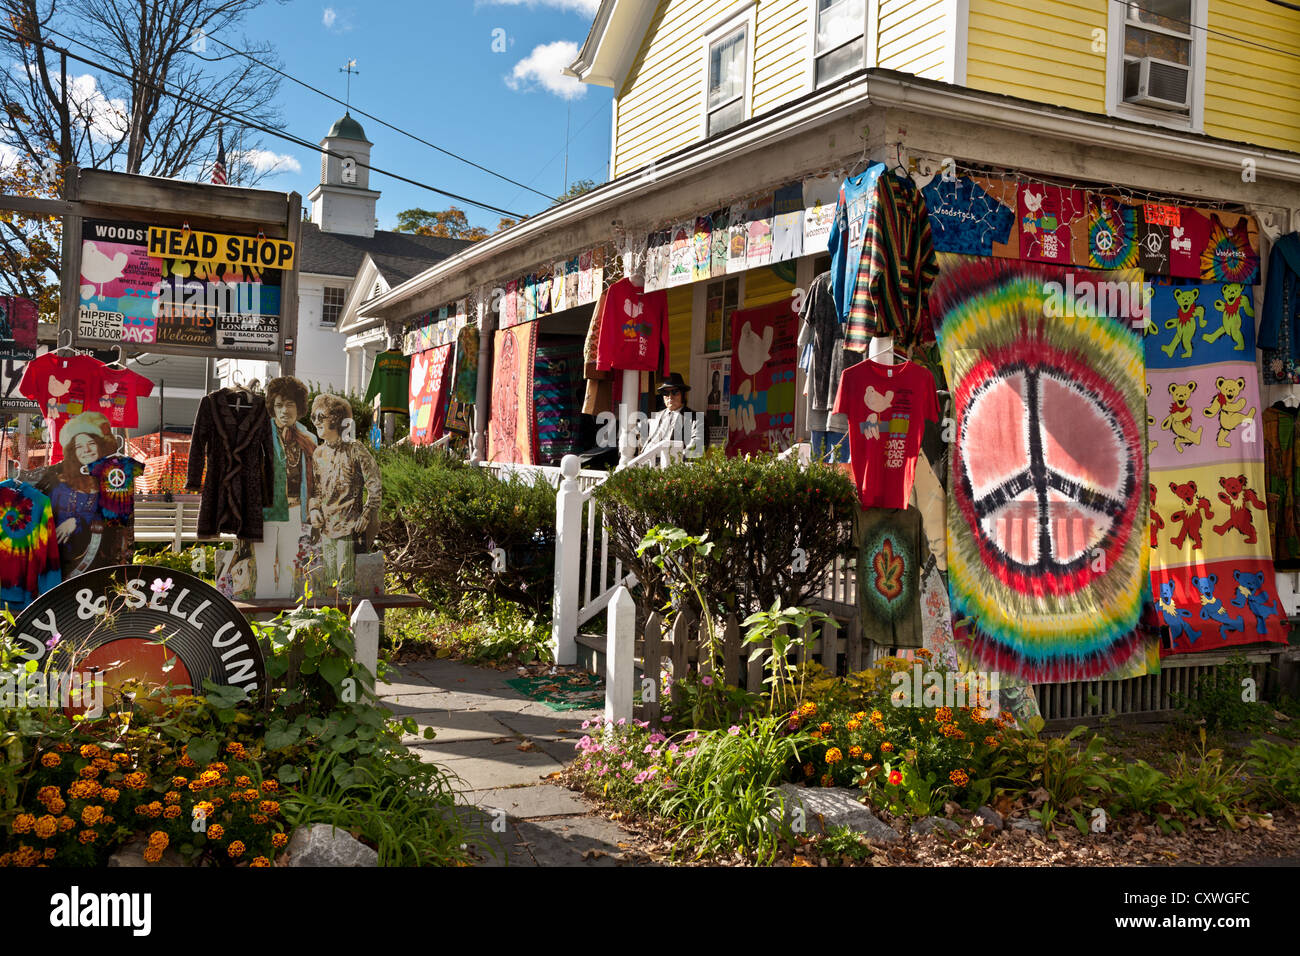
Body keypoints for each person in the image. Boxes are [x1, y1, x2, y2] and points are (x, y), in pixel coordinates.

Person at [307, 394, 381, 596]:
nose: (316, 423)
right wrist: (314, 510)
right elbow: (316, 490)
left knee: (345, 583)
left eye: (321, 417)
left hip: (349, 527)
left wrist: (367, 513)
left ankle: (349, 622)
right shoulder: (319, 454)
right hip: (326, 527)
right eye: (314, 417)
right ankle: (332, 624)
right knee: (330, 581)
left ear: (336, 420)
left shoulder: (354, 449)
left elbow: (374, 482)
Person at [256, 376, 318, 598]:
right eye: (279, 405)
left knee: (289, 569)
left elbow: (315, 480)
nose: (284, 410)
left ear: (298, 407)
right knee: (263, 568)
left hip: (294, 512)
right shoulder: (258, 436)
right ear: (271, 407)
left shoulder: (308, 439)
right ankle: (262, 623)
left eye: (290, 404)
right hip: (265, 512)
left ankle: (284, 616)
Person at [44, 412, 117, 575]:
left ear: (99, 446)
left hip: (95, 562)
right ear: (73, 452)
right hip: (56, 562)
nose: (87, 450)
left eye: (91, 443)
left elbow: (114, 521)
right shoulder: (59, 484)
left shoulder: (111, 482)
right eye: (79, 446)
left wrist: (77, 521)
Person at [644, 372, 703, 457]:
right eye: (666, 393)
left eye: (675, 392)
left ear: (683, 395)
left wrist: (673, 459)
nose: (670, 396)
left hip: (674, 467)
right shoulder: (655, 417)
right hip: (647, 465)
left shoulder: (696, 419)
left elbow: (697, 447)